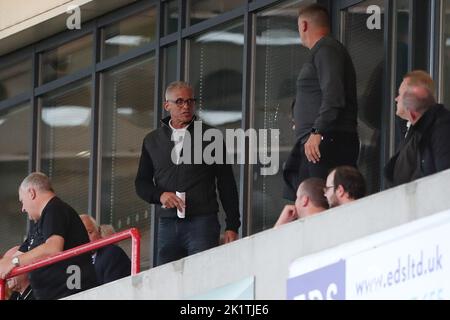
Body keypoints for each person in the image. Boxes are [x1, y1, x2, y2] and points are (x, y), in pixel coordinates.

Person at [135, 81, 241, 266]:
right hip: (167, 224)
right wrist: (160, 195)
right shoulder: (152, 140)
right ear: (167, 105)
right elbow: (141, 183)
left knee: (202, 277)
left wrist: (232, 225)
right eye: (180, 102)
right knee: (166, 281)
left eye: (190, 101)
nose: (186, 106)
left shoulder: (211, 136)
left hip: (203, 222)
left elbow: (226, 184)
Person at [283, 4, 359, 201]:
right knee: (304, 197)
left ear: (304, 25)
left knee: (321, 201)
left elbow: (334, 95)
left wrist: (317, 131)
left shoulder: (327, 49)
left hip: (326, 141)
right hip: (315, 143)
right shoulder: (322, 51)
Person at [0, 172, 97, 300]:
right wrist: (8, 263)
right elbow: (16, 255)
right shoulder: (39, 223)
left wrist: (14, 262)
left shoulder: (55, 209)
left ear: (31, 193)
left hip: (70, 292)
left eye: (22, 201)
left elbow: (53, 248)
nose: (23, 208)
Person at [385, 71, 450, 187]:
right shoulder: (414, 131)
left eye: (400, 93)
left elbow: (444, 177)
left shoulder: (440, 126)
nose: (396, 98)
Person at [79, 215, 131, 285]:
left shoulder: (112, 253)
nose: (86, 238)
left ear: (99, 231)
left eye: (90, 232)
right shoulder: (75, 262)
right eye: (80, 234)